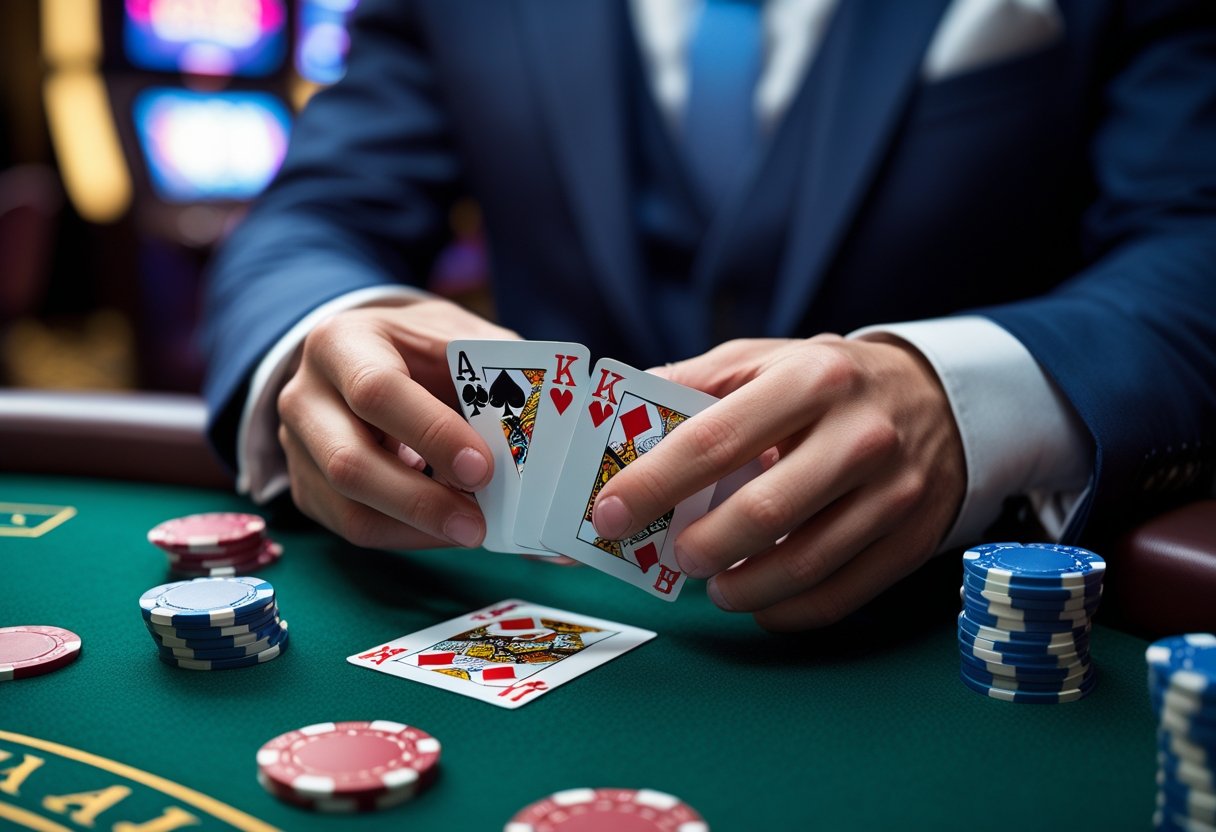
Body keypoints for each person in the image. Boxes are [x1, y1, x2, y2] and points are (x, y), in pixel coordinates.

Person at [199, 0, 1216, 632]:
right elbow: (313, 214)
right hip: (537, 590)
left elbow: (1194, 234)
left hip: (928, 620)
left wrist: (966, 393)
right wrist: (327, 327)